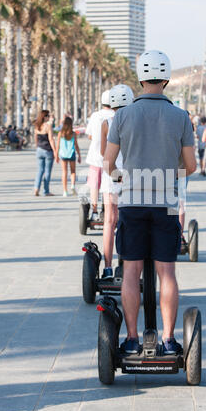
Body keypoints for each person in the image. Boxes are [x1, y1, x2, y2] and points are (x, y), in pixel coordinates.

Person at [104, 50, 196, 355]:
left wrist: (124, 178)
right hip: (167, 202)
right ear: (166, 79)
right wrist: (170, 173)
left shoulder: (122, 115)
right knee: (166, 272)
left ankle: (131, 339)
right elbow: (191, 166)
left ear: (141, 79)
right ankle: (168, 341)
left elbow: (108, 164)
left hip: (131, 202)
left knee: (130, 271)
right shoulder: (180, 116)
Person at [100, 84, 134, 280]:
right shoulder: (135, 121)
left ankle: (107, 267)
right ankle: (124, 263)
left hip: (110, 173)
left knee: (109, 220)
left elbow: (103, 154)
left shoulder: (106, 123)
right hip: (130, 175)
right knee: (125, 221)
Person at [85, 90, 114, 221]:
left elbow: (90, 135)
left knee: (94, 186)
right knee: (108, 188)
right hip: (112, 159)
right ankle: (107, 211)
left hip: (95, 157)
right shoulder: (116, 115)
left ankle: (95, 211)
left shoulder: (95, 116)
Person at [55, 116, 81, 196]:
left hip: (63, 154)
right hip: (71, 153)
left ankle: (65, 191)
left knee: (64, 171)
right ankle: (72, 185)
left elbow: (58, 145)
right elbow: (76, 145)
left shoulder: (60, 133)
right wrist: (79, 155)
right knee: (73, 171)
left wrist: (56, 155)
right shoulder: (73, 134)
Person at [34, 110, 56, 196]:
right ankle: (46, 191)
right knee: (47, 171)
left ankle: (36, 187)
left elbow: (35, 138)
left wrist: (37, 147)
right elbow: (50, 139)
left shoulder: (37, 126)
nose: (49, 117)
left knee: (40, 170)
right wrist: (55, 150)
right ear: (45, 117)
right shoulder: (48, 126)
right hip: (47, 150)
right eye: (48, 116)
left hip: (39, 150)